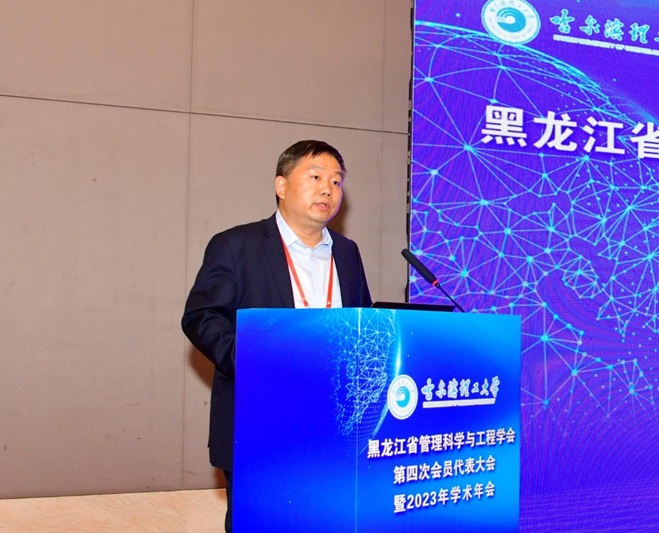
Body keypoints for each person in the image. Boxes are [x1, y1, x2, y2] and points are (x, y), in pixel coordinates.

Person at [181, 140, 372, 532]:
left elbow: (364, 324)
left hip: (334, 427)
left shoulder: (347, 253)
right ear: (281, 186)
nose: (328, 189)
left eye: (336, 182)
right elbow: (201, 317)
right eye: (316, 177)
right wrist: (255, 363)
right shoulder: (237, 245)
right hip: (261, 422)